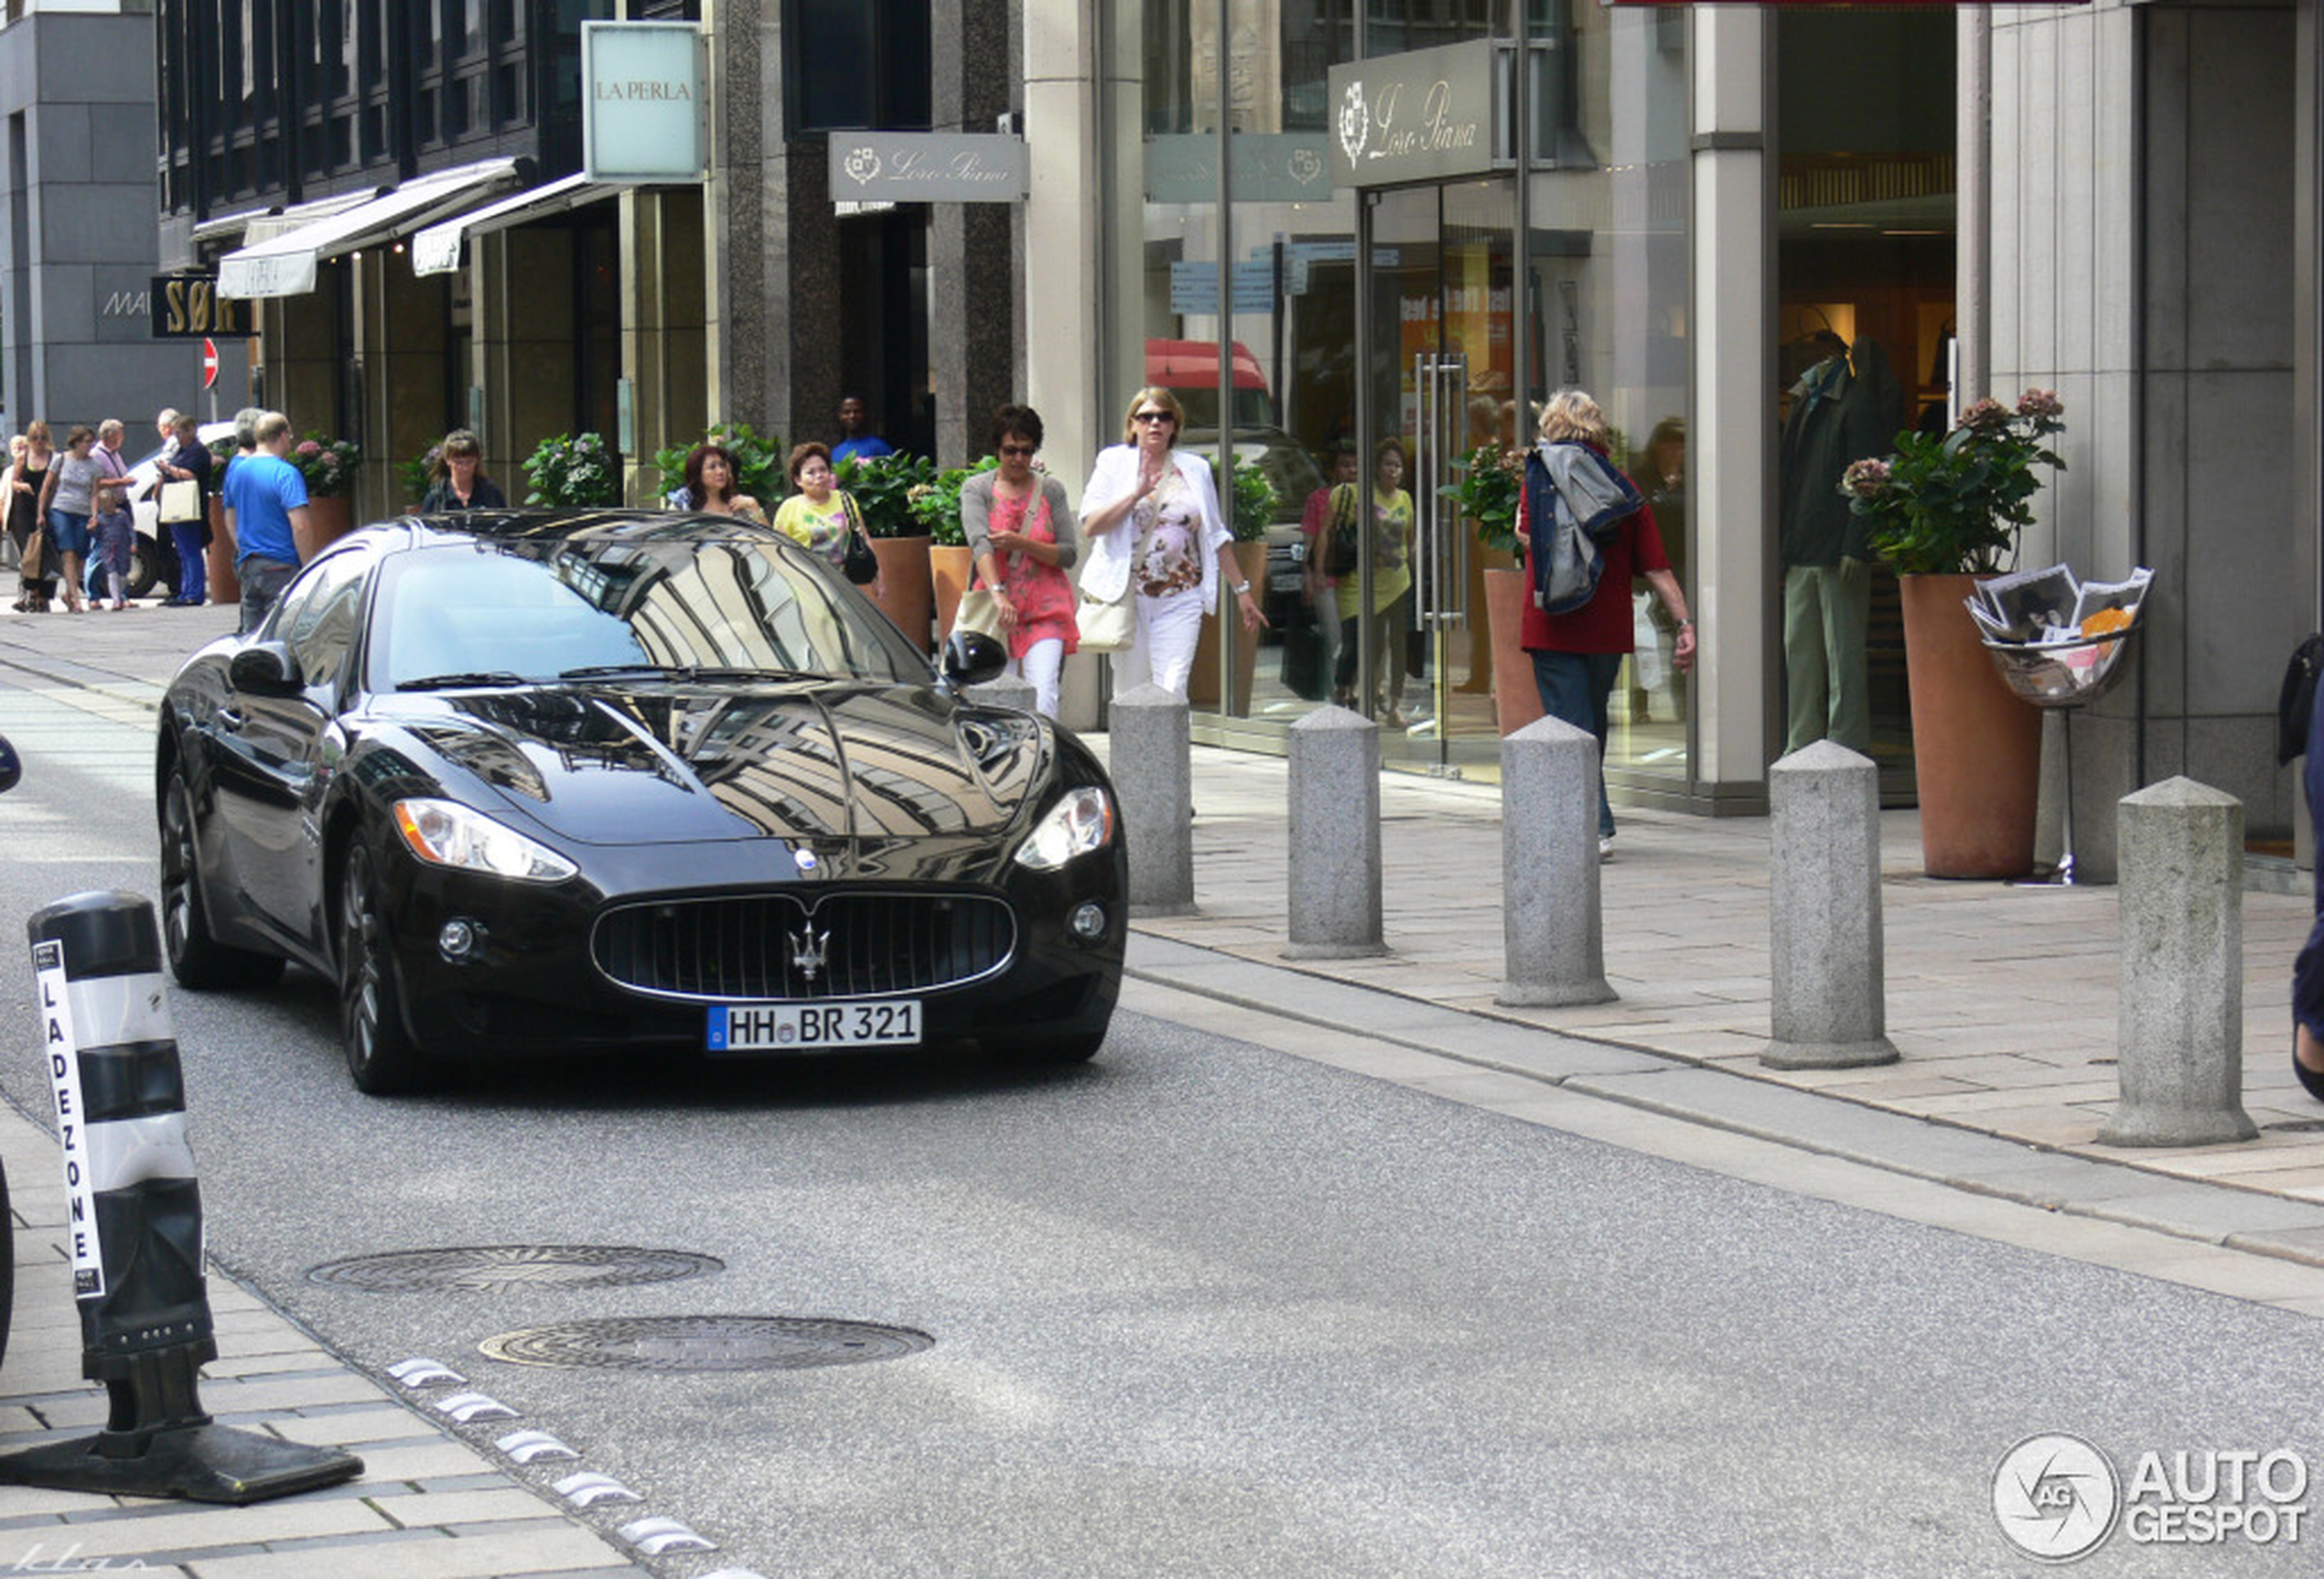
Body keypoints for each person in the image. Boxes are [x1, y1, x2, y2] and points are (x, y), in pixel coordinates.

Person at [1521, 389, 1695, 859]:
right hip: (1606, 626)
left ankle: (1593, 824)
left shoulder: (1539, 474)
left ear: (1554, 426)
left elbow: (1525, 536)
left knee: (1569, 723)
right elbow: (1657, 566)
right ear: (1599, 430)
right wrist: (1684, 623)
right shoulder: (1624, 486)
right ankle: (1584, 818)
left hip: (1553, 622)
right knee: (1592, 723)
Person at [1079, 387, 1265, 700]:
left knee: (1173, 688)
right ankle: (1134, 750)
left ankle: (1172, 749)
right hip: (1127, 594)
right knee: (1131, 693)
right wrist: (1135, 495)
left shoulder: (1195, 468)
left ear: (1174, 425)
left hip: (1182, 594)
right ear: (1133, 424)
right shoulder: (1113, 463)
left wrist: (1242, 591)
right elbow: (1092, 526)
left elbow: (1216, 535)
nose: (1155, 424)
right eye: (1146, 417)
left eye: (1164, 417)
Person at [1779, 335, 1899, 755]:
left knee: (1842, 654)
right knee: (1802, 656)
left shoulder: (1854, 404)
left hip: (1833, 550)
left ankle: (1845, 745)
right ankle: (1801, 745)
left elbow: (1867, 481)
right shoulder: (1804, 401)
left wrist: (1855, 544)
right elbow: (1790, 479)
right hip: (1802, 549)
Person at [962, 403, 1081, 718]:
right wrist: (998, 595)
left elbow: (1068, 553)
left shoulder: (1051, 490)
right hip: (995, 609)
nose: (1018, 459)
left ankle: (1045, 759)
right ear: (997, 449)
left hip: (1046, 608)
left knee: (1044, 698)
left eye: (1026, 452)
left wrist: (1021, 543)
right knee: (998, 700)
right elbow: (979, 543)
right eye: (1010, 450)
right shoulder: (977, 489)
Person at [1328, 438, 1416, 725]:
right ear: (1377, 468)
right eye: (1389, 464)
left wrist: (1416, 575)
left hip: (1398, 583)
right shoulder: (1360, 495)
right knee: (1365, 646)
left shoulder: (1404, 499)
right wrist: (1318, 570)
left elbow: (1410, 541)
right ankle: (1346, 690)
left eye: (1398, 465)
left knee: (1399, 649)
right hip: (1365, 585)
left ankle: (1393, 707)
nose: (1394, 470)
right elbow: (1331, 532)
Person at [220, 411, 310, 634]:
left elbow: (229, 516)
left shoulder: (238, 471)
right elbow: (300, 526)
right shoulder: (286, 473)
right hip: (282, 563)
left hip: (250, 564)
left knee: (252, 636)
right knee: (282, 635)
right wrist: (309, 567)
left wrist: (244, 550)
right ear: (282, 436)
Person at [773, 441, 880, 596]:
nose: (819, 476)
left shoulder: (845, 499)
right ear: (798, 480)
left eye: (823, 470)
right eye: (810, 472)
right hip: (806, 591)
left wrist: (878, 576)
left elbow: (866, 539)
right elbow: (779, 552)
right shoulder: (789, 508)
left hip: (846, 588)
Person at [34, 425, 102, 614]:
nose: (90, 446)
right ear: (76, 442)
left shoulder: (95, 465)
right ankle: (75, 598)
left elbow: (95, 493)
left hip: (83, 511)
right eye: (87, 442)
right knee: (68, 552)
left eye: (91, 442)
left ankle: (68, 593)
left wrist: (95, 515)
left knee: (81, 555)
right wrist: (41, 513)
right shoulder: (61, 460)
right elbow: (46, 488)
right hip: (61, 509)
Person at [158, 412, 214, 606]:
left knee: (190, 550)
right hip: (178, 505)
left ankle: (194, 593)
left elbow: (191, 474)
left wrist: (169, 469)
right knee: (182, 550)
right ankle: (185, 591)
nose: (177, 437)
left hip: (190, 506)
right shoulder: (182, 451)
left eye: (180, 433)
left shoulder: (197, 451)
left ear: (190, 431)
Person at [418, 429, 507, 512]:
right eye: (458, 462)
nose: (465, 468)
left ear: (477, 460)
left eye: (470, 462)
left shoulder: (490, 493)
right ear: (447, 460)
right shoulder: (437, 496)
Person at [681, 442, 765, 522]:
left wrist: (754, 506)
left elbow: (768, 536)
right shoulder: (684, 507)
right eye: (712, 467)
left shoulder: (738, 505)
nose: (720, 471)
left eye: (722, 465)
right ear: (697, 473)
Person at [89, 481, 134, 610]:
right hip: (107, 550)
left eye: (110, 506)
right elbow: (97, 535)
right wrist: (91, 529)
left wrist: (133, 543)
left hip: (122, 548)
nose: (108, 510)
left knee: (122, 574)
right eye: (105, 507)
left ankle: (120, 595)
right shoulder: (101, 519)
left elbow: (130, 530)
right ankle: (116, 600)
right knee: (112, 573)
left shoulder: (122, 516)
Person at [832, 396, 893, 467]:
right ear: (840, 416)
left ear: (865, 414)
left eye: (857, 411)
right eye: (847, 412)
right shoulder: (836, 453)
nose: (852, 416)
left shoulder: (880, 448)